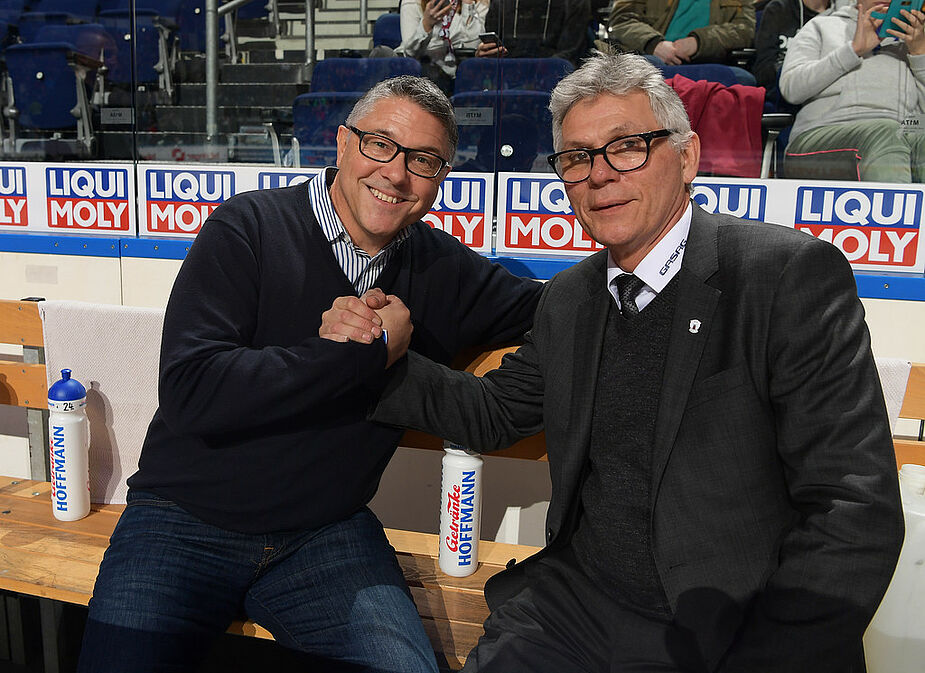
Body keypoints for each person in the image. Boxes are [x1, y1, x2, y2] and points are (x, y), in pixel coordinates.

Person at [350, 53, 903, 671]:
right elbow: (495, 411)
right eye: (577, 157)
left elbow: (853, 512)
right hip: (574, 611)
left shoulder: (783, 277)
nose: (600, 175)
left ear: (687, 157)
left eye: (627, 147)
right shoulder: (570, 298)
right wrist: (374, 352)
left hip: (728, 631)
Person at [76, 75, 541, 673]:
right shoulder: (249, 227)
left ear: (441, 177)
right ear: (343, 144)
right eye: (380, 145)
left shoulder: (441, 266)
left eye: (424, 161)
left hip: (326, 533)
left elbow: (557, 309)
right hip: (182, 520)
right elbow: (193, 390)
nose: (396, 174)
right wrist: (363, 355)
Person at [779, 0, 925, 182]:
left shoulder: (916, 42)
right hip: (821, 138)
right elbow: (791, 89)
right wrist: (854, 50)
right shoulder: (821, 26)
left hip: (900, 134)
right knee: (886, 132)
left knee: (903, 134)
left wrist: (919, 55)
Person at [607, 0, 758, 83]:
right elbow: (621, 21)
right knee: (644, 67)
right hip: (652, 60)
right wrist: (653, 44)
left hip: (706, 64)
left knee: (743, 79)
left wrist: (699, 42)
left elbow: (744, 30)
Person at [396, 0, 503, 93]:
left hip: (461, 72)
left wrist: (468, 5)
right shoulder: (413, 2)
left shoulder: (480, 3)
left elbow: (471, 48)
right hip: (424, 70)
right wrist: (426, 25)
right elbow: (410, 52)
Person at [751, 0, 832, 102]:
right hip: (781, 88)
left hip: (827, 89)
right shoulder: (779, 9)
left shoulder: (839, 15)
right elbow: (764, 66)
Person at [483, 0, 592, 65]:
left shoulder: (574, 3)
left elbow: (569, 52)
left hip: (555, 78)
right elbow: (494, 48)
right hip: (507, 76)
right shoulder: (501, 3)